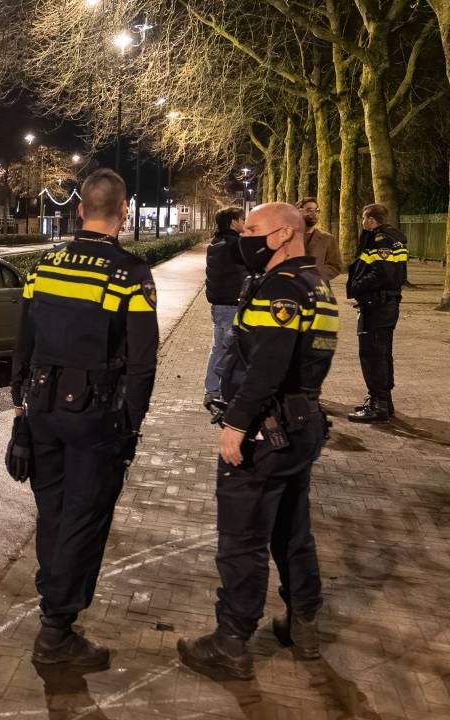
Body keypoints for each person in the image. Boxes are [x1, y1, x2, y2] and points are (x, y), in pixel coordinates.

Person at [177, 202, 337, 681]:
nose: (245, 236)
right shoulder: (318, 284)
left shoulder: (283, 288)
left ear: (285, 234)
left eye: (253, 229)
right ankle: (303, 623)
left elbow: (267, 364)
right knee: (292, 531)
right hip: (302, 423)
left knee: (242, 541)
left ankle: (231, 642)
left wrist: (237, 424)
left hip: (268, 432)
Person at [10, 169, 158, 667]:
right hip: (96, 417)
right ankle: (56, 630)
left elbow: (23, 339)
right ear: (123, 211)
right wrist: (132, 425)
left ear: (78, 209)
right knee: (85, 516)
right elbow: (142, 362)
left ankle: (52, 600)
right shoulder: (129, 273)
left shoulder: (44, 265)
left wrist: (20, 402)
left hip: (42, 408)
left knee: (52, 511)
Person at [345, 203, 407, 423]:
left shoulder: (382, 240)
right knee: (382, 353)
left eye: (364, 218)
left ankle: (378, 405)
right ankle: (384, 402)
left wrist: (357, 285)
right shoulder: (394, 238)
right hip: (385, 305)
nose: (362, 222)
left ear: (371, 220)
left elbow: (383, 273)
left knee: (372, 354)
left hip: (377, 306)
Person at [203, 206, 247, 409]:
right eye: (242, 219)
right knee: (232, 351)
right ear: (234, 222)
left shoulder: (215, 243)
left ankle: (212, 391)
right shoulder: (236, 245)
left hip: (218, 305)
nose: (245, 223)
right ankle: (227, 393)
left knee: (218, 349)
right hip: (232, 305)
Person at [296, 198, 343, 281]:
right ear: (299, 212)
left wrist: (315, 274)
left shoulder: (328, 238)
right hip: (293, 289)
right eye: (309, 210)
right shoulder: (288, 238)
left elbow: (336, 266)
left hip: (319, 289)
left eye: (316, 210)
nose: (314, 213)